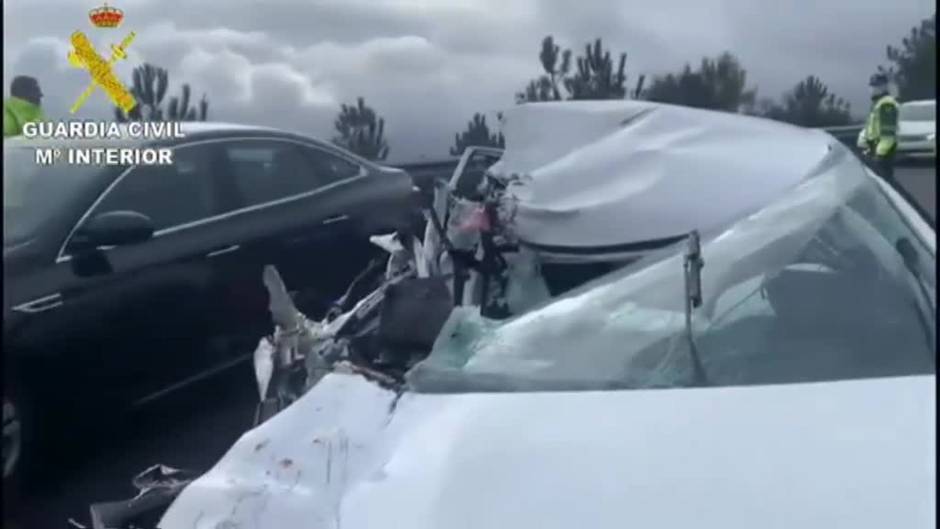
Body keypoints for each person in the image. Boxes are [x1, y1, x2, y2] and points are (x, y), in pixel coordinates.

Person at [860, 73, 900, 182]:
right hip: (876, 149)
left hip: (883, 153)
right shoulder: (877, 103)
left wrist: (879, 156)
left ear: (884, 87)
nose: (873, 89)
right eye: (872, 86)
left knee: (885, 184)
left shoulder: (886, 104)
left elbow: (888, 136)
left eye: (876, 86)